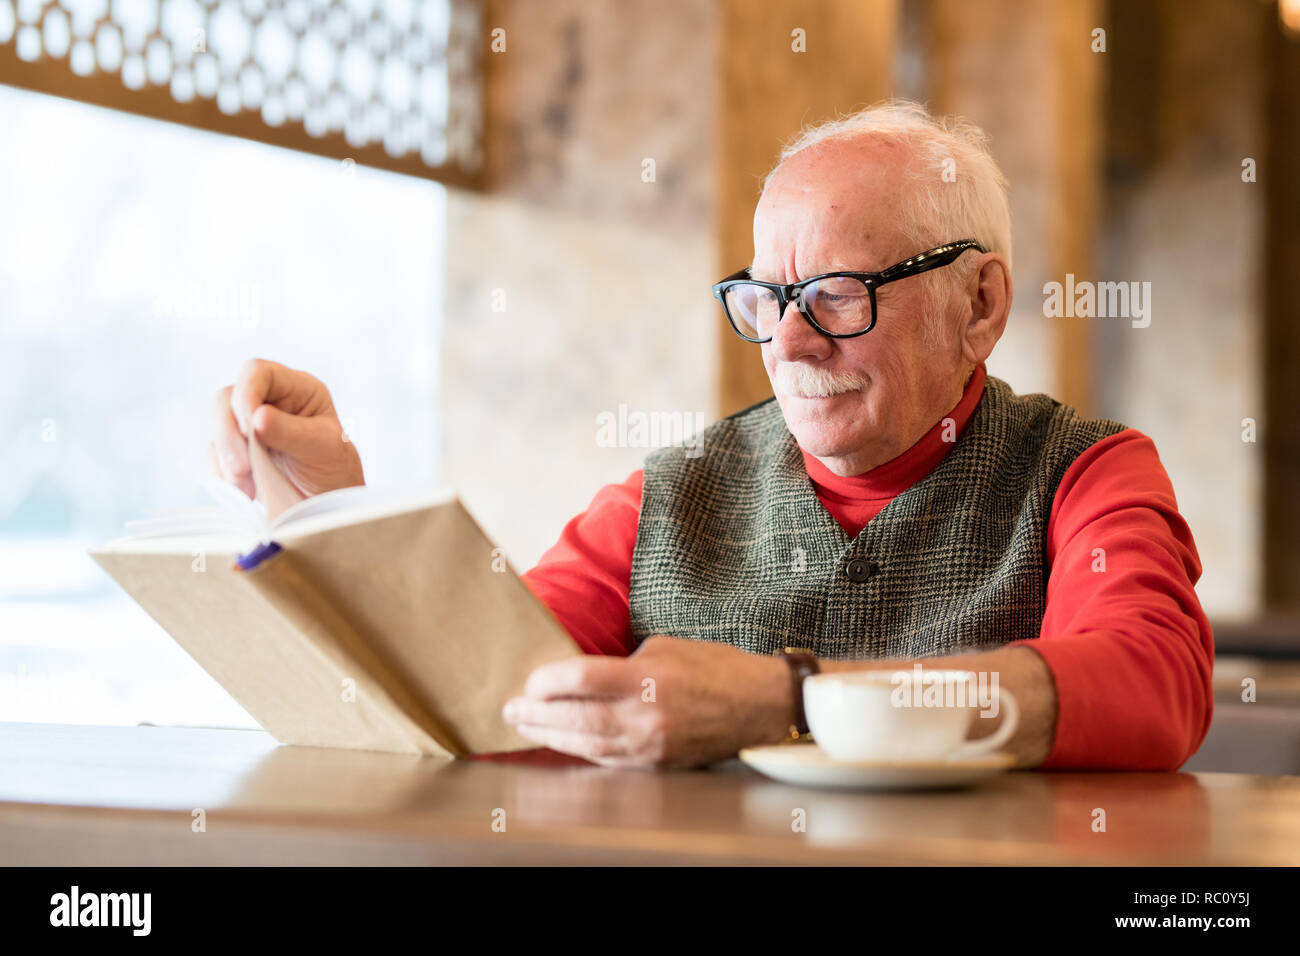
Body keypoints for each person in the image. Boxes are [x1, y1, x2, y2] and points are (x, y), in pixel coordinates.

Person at [210, 102, 1213, 772]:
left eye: (835, 294)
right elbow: (486, 690)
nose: (786, 341)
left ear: (979, 302)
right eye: (766, 298)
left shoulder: (1083, 470)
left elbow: (1150, 683)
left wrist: (793, 699)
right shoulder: (666, 494)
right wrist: (334, 516)